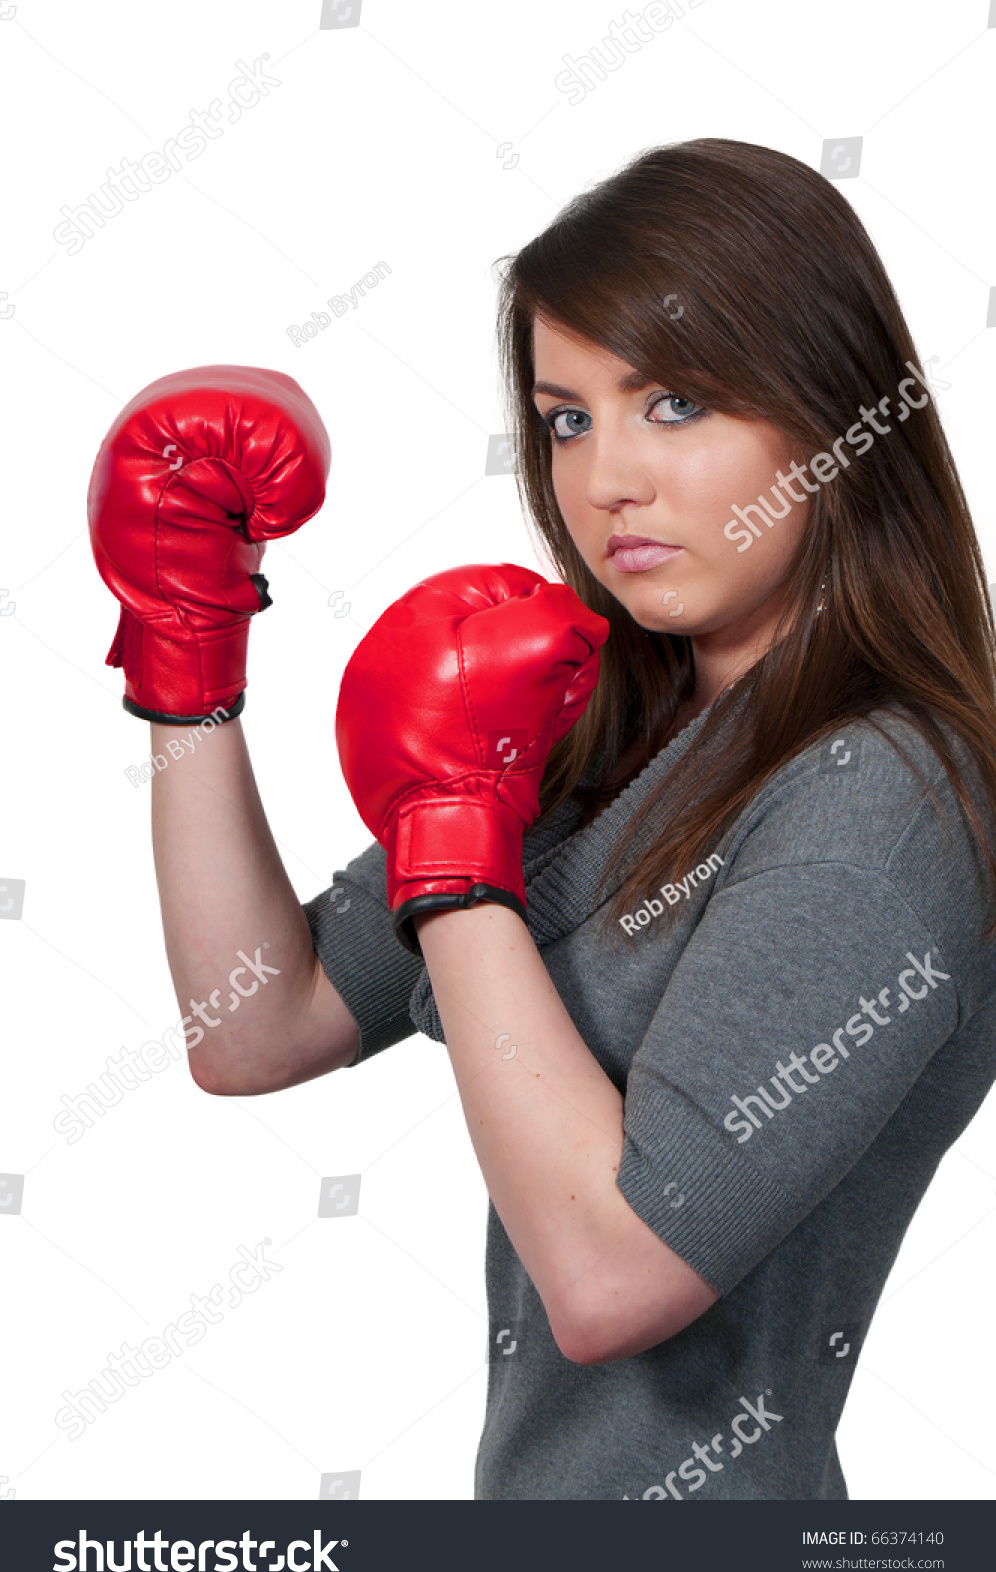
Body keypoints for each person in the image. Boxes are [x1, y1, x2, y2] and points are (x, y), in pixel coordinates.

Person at [90, 139, 996, 1502]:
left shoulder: (884, 796)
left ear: (831, 411)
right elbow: (252, 1024)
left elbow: (613, 1273)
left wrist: (453, 841)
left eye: (675, 404)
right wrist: (186, 654)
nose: (605, 480)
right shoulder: (601, 735)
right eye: (567, 418)